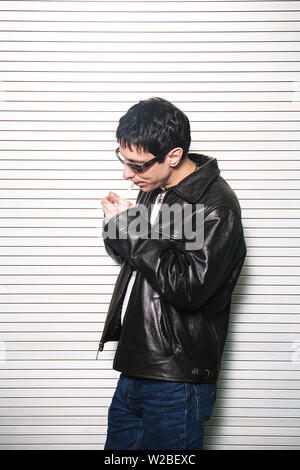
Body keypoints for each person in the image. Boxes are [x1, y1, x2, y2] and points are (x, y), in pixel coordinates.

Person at [98, 97, 246, 450]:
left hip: (176, 380)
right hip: (135, 367)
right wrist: (117, 227)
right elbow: (143, 262)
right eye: (123, 160)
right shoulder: (156, 191)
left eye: (137, 165)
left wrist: (130, 230)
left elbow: (187, 287)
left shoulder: (213, 206)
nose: (126, 175)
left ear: (173, 156)